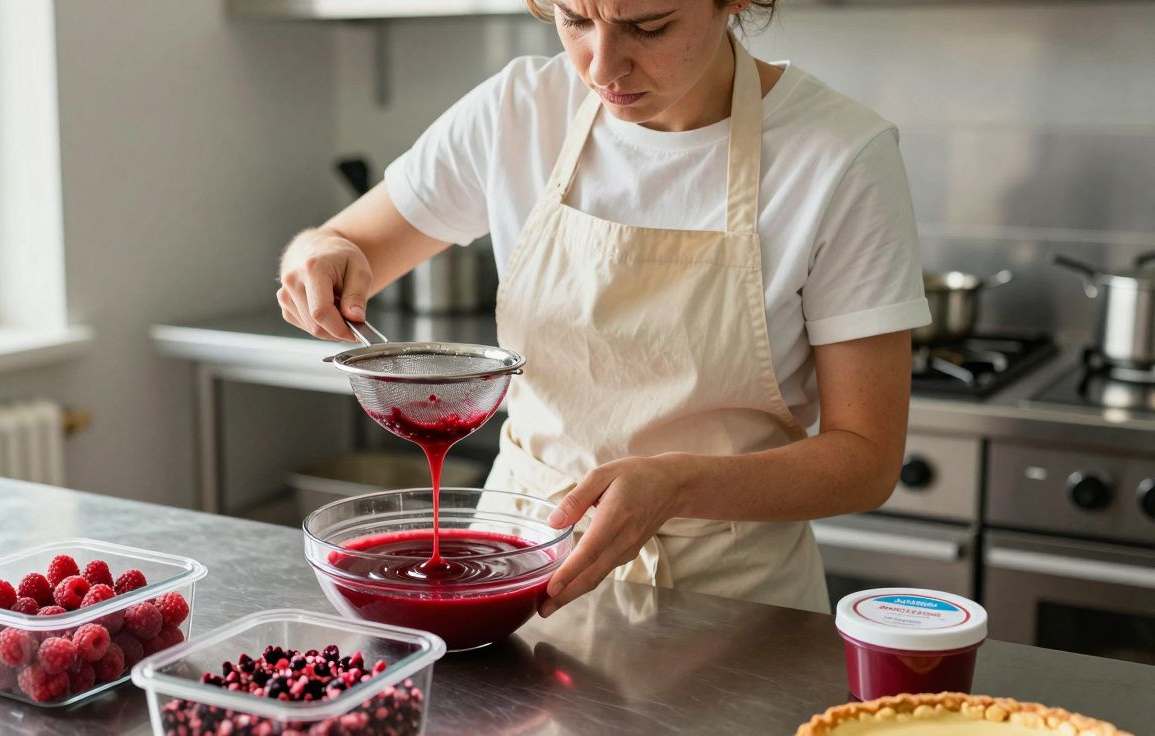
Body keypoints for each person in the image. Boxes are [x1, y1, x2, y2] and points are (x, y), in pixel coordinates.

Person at [277, 0, 930, 616]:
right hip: (515, 571)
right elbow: (345, 240)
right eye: (575, 18)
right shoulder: (520, 110)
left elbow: (866, 460)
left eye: (648, 26)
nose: (601, 65)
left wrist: (678, 486)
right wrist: (318, 254)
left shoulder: (840, 155)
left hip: (731, 603)